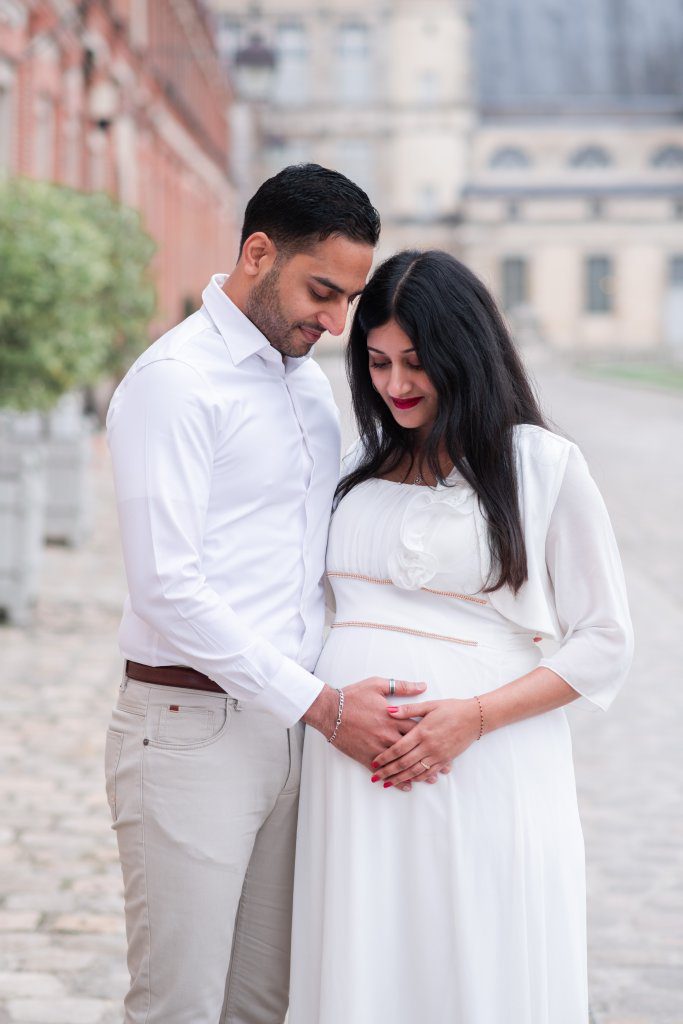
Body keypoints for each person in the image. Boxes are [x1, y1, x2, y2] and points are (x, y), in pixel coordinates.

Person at [104, 165, 429, 1024]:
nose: (334, 321)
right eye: (321, 290)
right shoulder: (175, 382)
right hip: (190, 732)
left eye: (348, 299)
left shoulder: (307, 385)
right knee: (179, 1006)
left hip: (293, 733)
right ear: (257, 253)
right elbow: (168, 588)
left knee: (264, 1005)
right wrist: (322, 704)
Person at [289, 249, 634, 1024]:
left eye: (417, 362)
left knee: (473, 962)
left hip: (483, 767)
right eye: (376, 362)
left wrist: (468, 719)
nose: (396, 385)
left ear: (464, 354)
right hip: (352, 771)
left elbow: (605, 640)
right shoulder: (354, 469)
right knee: (363, 960)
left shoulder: (539, 466)